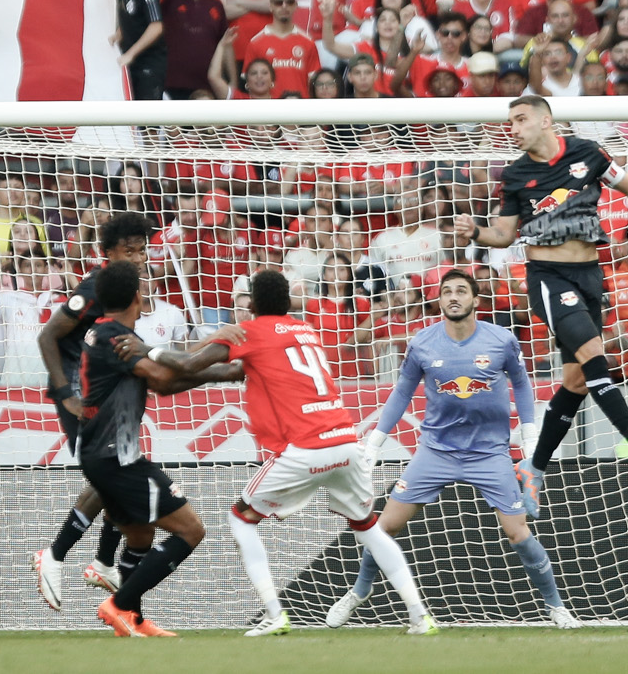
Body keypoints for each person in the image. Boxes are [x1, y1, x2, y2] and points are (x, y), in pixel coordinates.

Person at [146, 269, 438, 636]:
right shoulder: (306, 331)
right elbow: (232, 371)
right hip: (347, 442)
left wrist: (147, 350)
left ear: (250, 304)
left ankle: (273, 613)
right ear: (288, 303)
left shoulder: (251, 332)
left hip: (305, 448)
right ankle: (419, 615)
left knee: (241, 519)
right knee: (369, 529)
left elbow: (190, 364)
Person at [455, 95, 628, 500]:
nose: (512, 128)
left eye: (520, 119)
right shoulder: (515, 175)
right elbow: (505, 235)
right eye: (509, 121)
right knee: (595, 356)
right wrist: (475, 232)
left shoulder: (587, 153)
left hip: (590, 274)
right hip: (548, 277)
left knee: (577, 380)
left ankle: (533, 467)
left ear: (546, 121)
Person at [329, 267, 579, 629]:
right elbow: (402, 392)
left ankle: (556, 607)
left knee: (518, 533)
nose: (453, 297)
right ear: (440, 300)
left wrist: (528, 437)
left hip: (489, 452)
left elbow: (523, 386)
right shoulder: (422, 343)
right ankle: (359, 592)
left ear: (475, 300)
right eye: (447, 291)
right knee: (382, 529)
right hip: (436, 450)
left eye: (461, 291)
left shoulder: (502, 340)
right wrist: (375, 441)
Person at [66, 259, 210, 638]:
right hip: (118, 458)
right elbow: (163, 375)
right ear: (137, 297)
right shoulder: (117, 339)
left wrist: (215, 371)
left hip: (101, 455)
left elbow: (160, 384)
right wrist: (222, 367)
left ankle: (133, 621)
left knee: (140, 536)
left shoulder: (101, 333)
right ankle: (119, 605)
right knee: (191, 531)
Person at [33, 213, 156, 610]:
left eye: (142, 248)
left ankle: (103, 561)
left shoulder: (126, 287)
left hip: (108, 393)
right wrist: (63, 391)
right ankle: (54, 555)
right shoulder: (91, 289)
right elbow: (48, 334)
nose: (138, 256)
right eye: (129, 249)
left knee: (120, 469)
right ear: (108, 252)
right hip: (80, 392)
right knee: (111, 471)